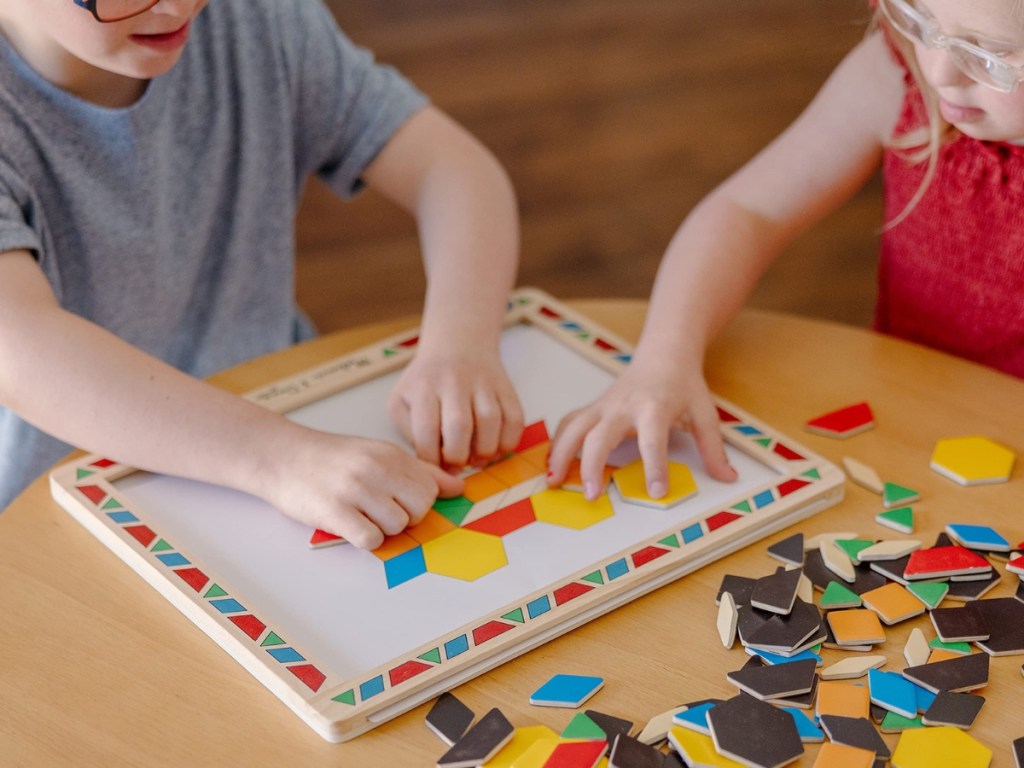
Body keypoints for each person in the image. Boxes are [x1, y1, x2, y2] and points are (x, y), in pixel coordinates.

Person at [0, 0, 524, 549]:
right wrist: (280, 459)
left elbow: (453, 169)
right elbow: (20, 349)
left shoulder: (255, 19)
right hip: (65, 500)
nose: (178, 6)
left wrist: (460, 345)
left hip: (291, 421)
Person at [548, 0, 1024, 500]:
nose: (938, 70)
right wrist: (663, 359)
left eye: (988, 53)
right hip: (897, 423)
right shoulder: (897, 77)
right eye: (921, 19)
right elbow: (747, 212)